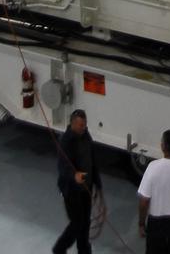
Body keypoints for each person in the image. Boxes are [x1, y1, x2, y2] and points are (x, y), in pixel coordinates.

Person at [53, 108, 102, 254]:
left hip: (86, 188)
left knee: (85, 222)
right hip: (72, 191)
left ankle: (84, 249)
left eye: (85, 125)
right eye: (81, 125)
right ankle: (59, 248)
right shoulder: (66, 141)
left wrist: (97, 183)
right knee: (77, 222)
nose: (84, 128)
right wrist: (74, 175)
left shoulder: (86, 135)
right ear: (73, 124)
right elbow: (63, 166)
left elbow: (92, 160)